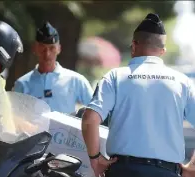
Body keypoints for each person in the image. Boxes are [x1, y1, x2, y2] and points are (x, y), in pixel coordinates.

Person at [81, 13, 195, 177]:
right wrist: (192, 168)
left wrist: (95, 158)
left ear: (133, 45)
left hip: (122, 170)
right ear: (162, 51)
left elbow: (90, 119)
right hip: (166, 172)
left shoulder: (115, 77)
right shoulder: (182, 82)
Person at [12, 21, 93, 114]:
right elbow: (14, 117)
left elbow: (96, 111)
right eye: (42, 48)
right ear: (35, 48)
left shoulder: (76, 81)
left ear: (59, 49)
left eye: (52, 48)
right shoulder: (22, 84)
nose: (47, 54)